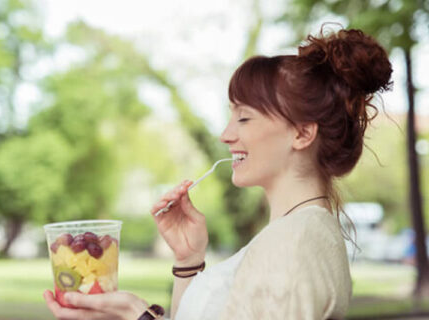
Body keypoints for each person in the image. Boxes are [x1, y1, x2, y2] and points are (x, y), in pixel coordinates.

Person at [43, 25, 393, 320]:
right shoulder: (295, 233)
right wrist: (188, 262)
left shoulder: (294, 242)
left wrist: (141, 316)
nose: (226, 134)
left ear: (302, 133)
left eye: (244, 117)